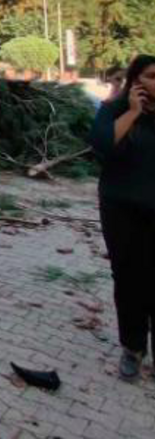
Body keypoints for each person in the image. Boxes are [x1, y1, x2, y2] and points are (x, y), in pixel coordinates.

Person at [90, 54, 155, 381]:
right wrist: (133, 112)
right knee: (129, 280)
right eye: (152, 76)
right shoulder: (114, 109)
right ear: (136, 80)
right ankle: (132, 349)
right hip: (121, 209)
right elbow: (101, 145)